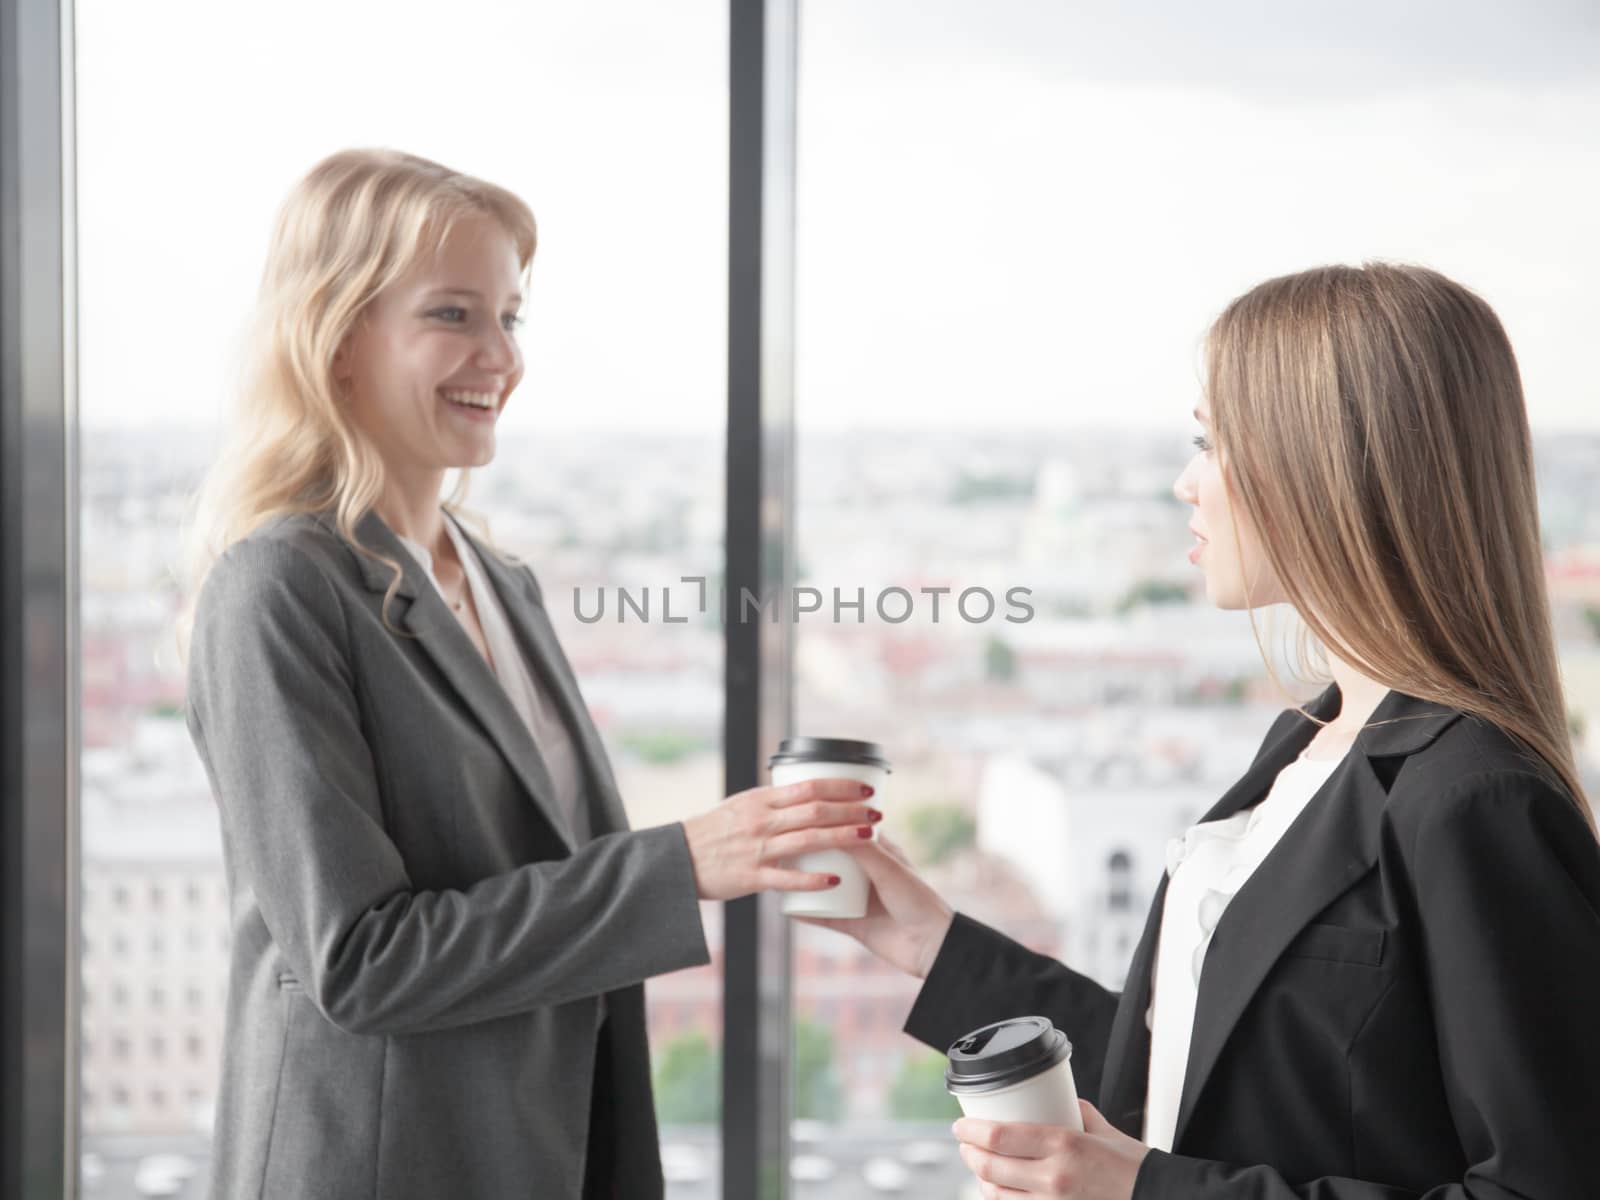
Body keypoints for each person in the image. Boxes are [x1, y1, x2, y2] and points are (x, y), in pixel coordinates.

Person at [175, 148, 881, 1200]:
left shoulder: (499, 580)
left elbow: (544, 877)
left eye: (511, 316)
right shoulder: (278, 587)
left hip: (541, 1149)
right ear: (338, 338)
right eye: (453, 315)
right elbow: (360, 961)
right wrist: (680, 863)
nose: (498, 355)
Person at [812, 263, 1600, 1198]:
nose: (1188, 483)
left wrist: (1146, 1191)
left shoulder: (1475, 796)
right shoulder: (1307, 743)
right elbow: (1198, 1069)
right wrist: (925, 942)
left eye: (1212, 442)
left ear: (1328, 466)